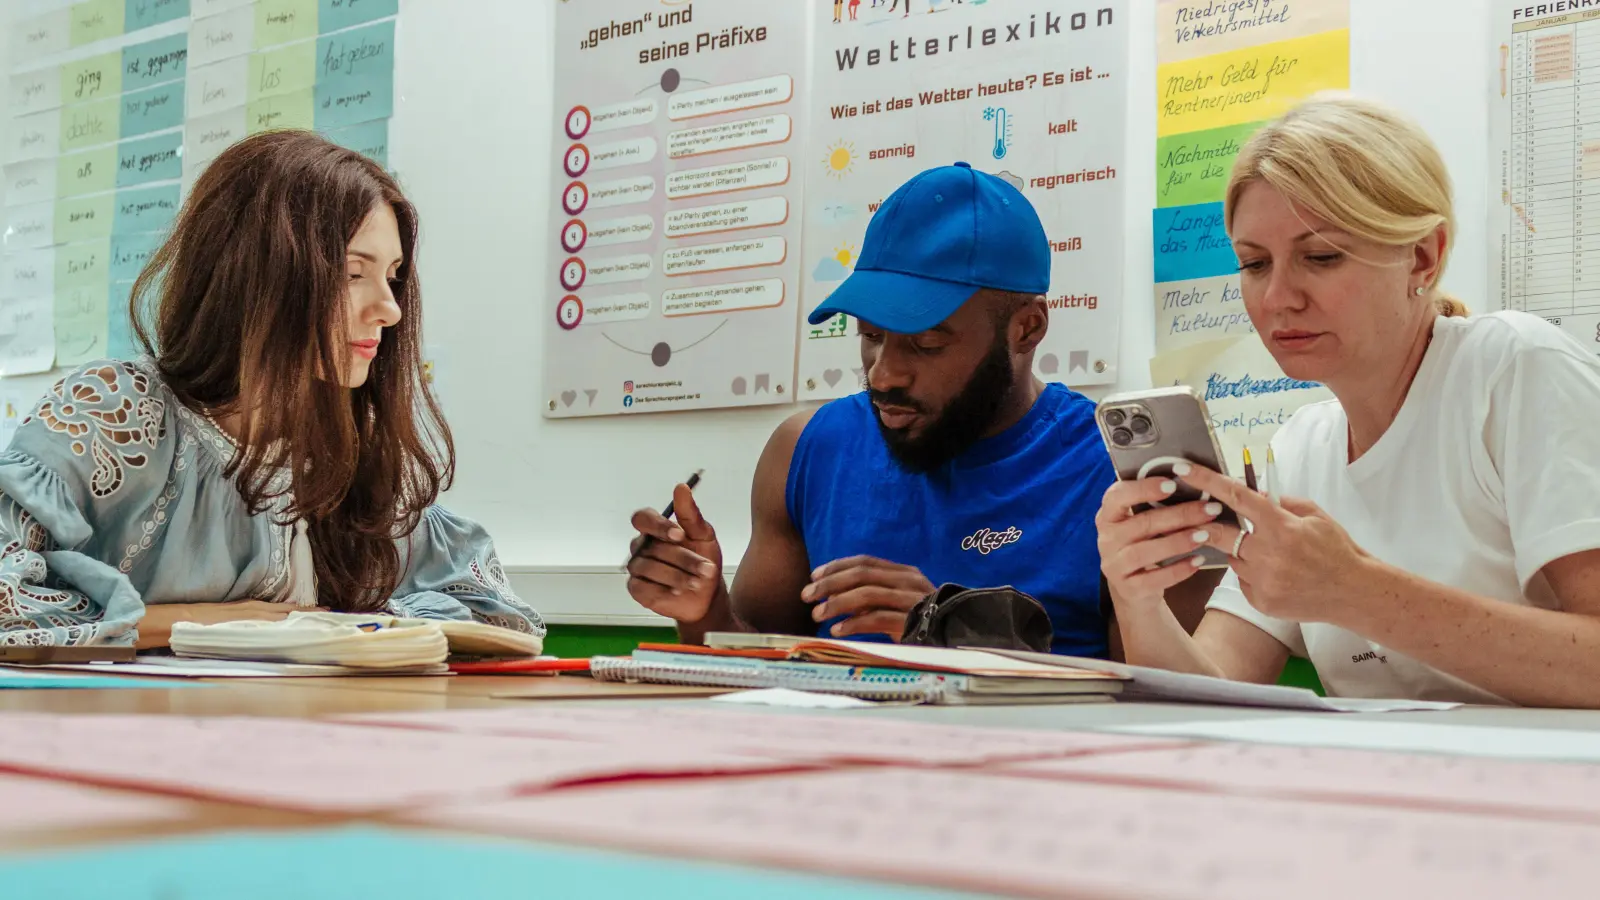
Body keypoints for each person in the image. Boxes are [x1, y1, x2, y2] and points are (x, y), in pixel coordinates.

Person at [1098, 93, 1600, 707]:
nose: (1279, 297)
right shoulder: (1300, 446)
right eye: (1254, 264)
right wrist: (1138, 597)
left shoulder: (1517, 369)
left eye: (1321, 257)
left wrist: (1357, 591)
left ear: (1423, 255)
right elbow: (1212, 692)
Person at [626, 162, 1210, 656]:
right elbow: (761, 667)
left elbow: (1169, 707)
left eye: (926, 344)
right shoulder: (808, 449)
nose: (884, 373)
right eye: (871, 335)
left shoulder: (1123, 473)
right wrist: (702, 607)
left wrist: (952, 630)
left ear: (1027, 329)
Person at [0, 131, 544, 649]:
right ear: (258, 275)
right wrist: (198, 623)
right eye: (354, 274)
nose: (390, 308)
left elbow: (496, 613)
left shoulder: (347, 448)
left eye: (393, 275)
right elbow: (9, 597)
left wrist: (347, 630)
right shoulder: (119, 410)